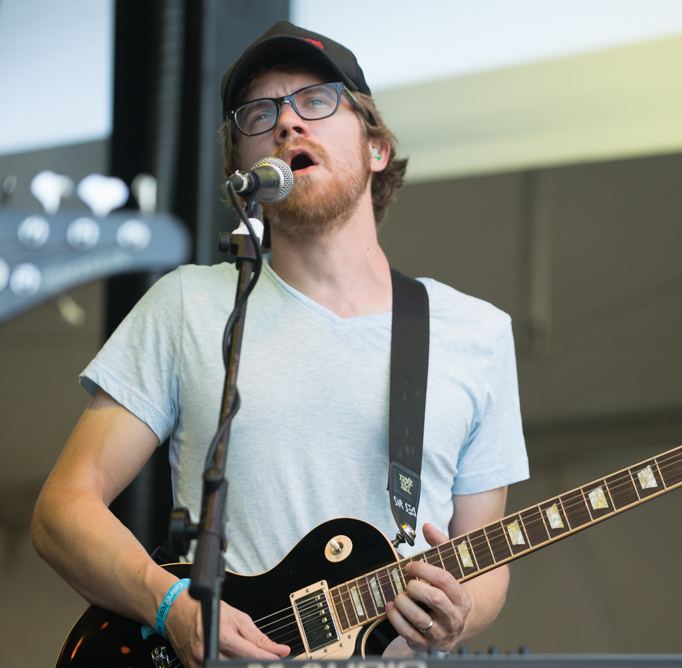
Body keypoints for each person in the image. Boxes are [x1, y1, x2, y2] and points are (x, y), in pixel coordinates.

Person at [31, 20, 529, 667]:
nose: (288, 124)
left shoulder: (474, 331)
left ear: (377, 146)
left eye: (317, 101)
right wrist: (170, 604)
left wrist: (459, 613)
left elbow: (485, 554)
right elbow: (62, 509)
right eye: (259, 113)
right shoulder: (189, 304)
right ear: (242, 162)